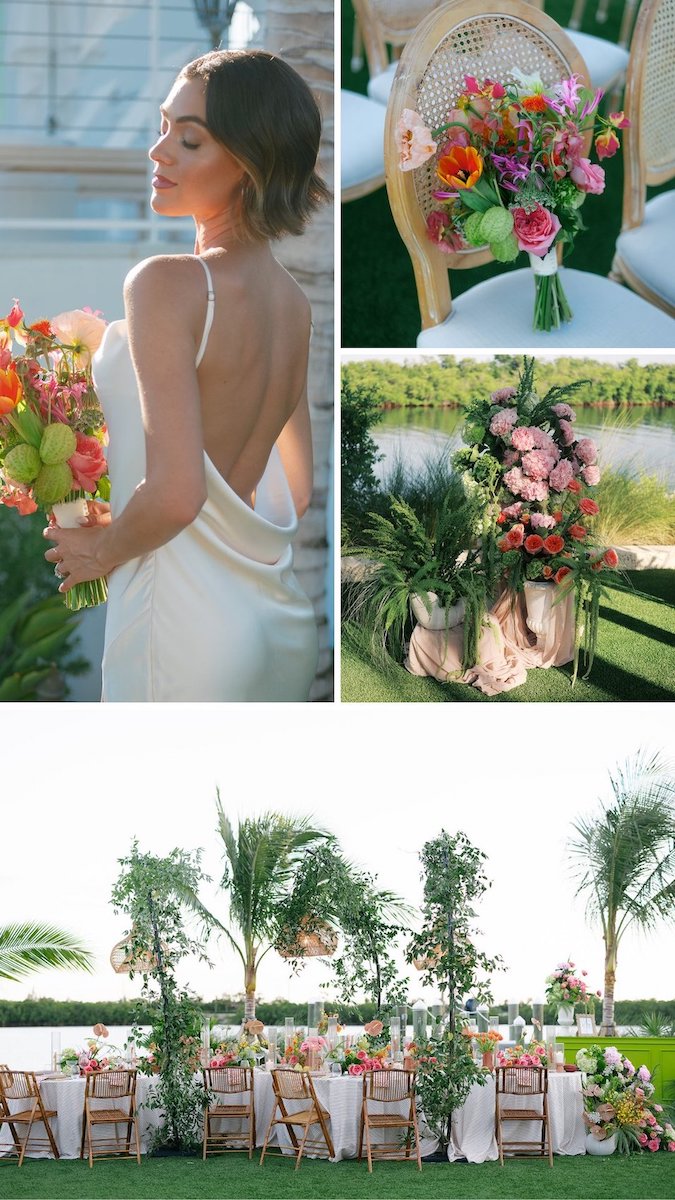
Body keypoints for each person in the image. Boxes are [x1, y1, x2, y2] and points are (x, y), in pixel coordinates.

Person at [43, 49, 330, 702]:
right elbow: (296, 489)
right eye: (164, 125)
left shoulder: (167, 284)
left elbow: (177, 495)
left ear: (249, 163)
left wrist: (102, 549)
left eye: (189, 138)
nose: (158, 151)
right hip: (272, 623)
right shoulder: (292, 303)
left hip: (182, 624)